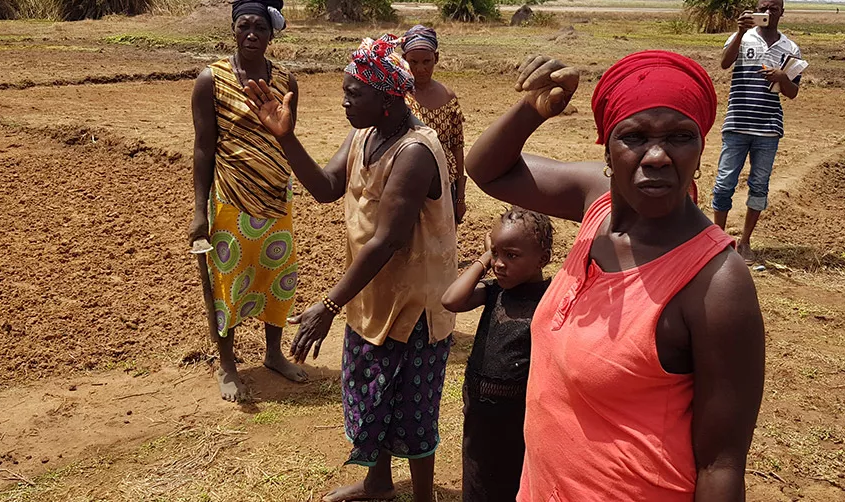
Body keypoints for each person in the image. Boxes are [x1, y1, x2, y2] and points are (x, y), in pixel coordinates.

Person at [466, 51, 766, 501]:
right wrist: (532, 108)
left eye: (681, 136)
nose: (659, 156)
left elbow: (720, 463)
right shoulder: (598, 203)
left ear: (702, 147)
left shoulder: (714, 281)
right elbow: (486, 170)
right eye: (635, 136)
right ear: (607, 148)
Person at [243, 34, 457, 502]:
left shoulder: (415, 151)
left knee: (415, 409)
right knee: (370, 395)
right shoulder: (364, 134)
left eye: (353, 93)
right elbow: (325, 187)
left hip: (415, 301)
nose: (343, 102)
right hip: (371, 291)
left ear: (386, 98)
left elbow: (388, 239)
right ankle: (378, 484)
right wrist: (286, 136)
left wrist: (327, 304)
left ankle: (424, 497)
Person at [189, 0, 308, 403]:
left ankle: (274, 353)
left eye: (260, 26)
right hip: (229, 200)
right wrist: (197, 211)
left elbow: (287, 138)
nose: (252, 34)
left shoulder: (286, 81)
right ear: (233, 30)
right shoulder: (211, 80)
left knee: (279, 278)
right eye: (245, 26)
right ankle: (227, 365)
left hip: (276, 197)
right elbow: (203, 147)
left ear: (271, 33)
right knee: (227, 284)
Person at [440, 207, 554, 502]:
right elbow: (451, 300)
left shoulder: (550, 298)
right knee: (478, 480)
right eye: (496, 254)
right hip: (479, 412)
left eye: (511, 256)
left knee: (515, 482)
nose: (500, 264)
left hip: (520, 417)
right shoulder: (494, 292)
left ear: (543, 259)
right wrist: (483, 260)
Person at [713, 0, 802, 262]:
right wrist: (739, 33)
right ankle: (717, 240)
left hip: (768, 128)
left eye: (774, 8)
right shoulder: (742, 38)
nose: (769, 12)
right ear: (756, 10)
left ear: (782, 12)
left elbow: (793, 93)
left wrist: (781, 77)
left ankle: (745, 242)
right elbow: (724, 63)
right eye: (764, 8)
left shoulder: (791, 49)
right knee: (724, 183)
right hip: (737, 122)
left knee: (759, 186)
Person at [402, 25, 468, 224]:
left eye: (427, 61)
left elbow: (457, 146)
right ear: (404, 60)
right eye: (413, 62)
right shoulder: (399, 97)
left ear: (436, 58)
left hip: (445, 183)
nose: (420, 69)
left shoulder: (448, 98)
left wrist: (460, 196)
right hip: (406, 181)